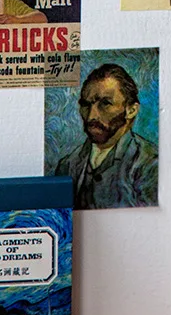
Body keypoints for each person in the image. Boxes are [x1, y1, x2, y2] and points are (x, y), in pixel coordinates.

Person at [55, 64, 158, 210]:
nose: (91, 116)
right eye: (85, 105)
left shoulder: (149, 164)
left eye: (105, 104)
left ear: (131, 110)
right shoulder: (67, 165)